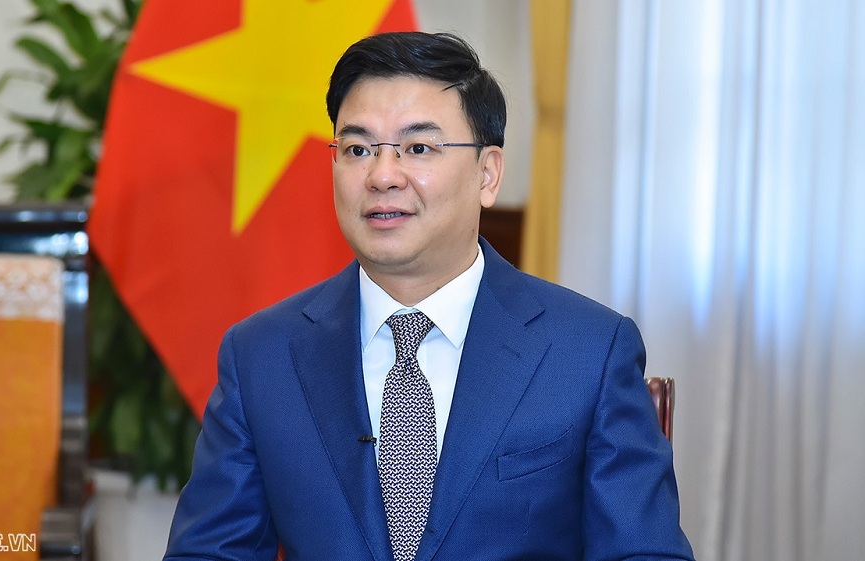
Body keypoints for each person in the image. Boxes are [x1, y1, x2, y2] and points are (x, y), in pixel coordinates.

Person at [164, 31, 694, 561]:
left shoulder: (588, 352)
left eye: (418, 148)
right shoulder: (262, 356)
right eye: (357, 149)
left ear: (487, 174)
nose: (382, 175)